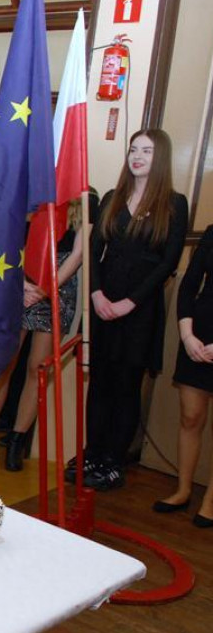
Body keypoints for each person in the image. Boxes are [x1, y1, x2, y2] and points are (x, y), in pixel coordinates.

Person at [71, 129, 188, 491]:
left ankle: (112, 461)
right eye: (134, 149)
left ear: (161, 157)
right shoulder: (112, 197)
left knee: (125, 386)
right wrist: (96, 295)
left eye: (147, 151)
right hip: (104, 303)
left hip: (139, 310)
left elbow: (167, 262)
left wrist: (129, 302)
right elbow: (93, 251)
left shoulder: (174, 203)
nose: (137, 156)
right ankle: (91, 452)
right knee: (100, 383)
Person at [0, 195, 94, 471]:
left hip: (57, 290)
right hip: (21, 284)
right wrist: (23, 283)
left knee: (37, 370)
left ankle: (16, 441)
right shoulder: (32, 193)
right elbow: (8, 243)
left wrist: (47, 286)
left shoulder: (85, 195)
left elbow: (80, 253)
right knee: (3, 365)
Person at [153, 223, 213, 528]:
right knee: (191, 416)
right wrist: (187, 336)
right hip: (197, 339)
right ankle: (183, 490)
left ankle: (211, 501)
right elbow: (190, 286)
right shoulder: (211, 234)